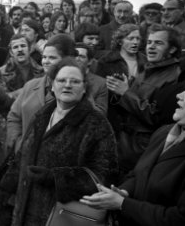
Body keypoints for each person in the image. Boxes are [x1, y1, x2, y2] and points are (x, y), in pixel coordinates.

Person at [10, 57, 118, 226]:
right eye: (61, 80)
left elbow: (103, 175)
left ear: (84, 88)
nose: (67, 85)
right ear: (52, 86)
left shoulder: (96, 123)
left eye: (75, 81)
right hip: (25, 209)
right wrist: (9, 188)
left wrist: (55, 178)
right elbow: (24, 153)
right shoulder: (42, 115)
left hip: (63, 215)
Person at [80, 89, 185, 226]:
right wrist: (124, 191)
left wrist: (122, 204)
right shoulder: (163, 132)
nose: (179, 95)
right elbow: (138, 174)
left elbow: (178, 218)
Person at [105, 24, 181, 178]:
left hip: (142, 148)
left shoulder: (175, 76)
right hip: (124, 144)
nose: (151, 47)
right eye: (149, 42)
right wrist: (119, 90)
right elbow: (131, 103)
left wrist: (125, 93)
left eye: (158, 43)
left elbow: (157, 117)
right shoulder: (147, 69)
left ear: (172, 49)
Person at [6, 34, 77, 153]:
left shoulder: (76, 90)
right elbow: (14, 117)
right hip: (26, 158)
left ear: (66, 60)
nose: (46, 62)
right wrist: (18, 145)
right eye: (44, 57)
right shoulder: (31, 85)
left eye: (52, 58)